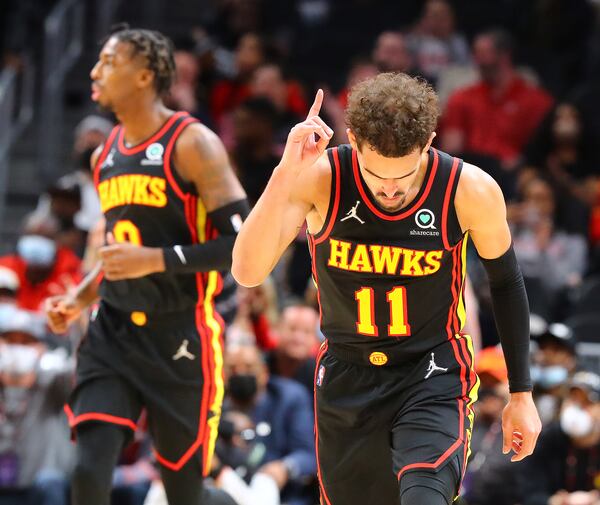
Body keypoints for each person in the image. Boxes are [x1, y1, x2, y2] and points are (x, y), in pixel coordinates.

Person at [232, 72, 541, 505]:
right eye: (377, 175)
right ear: (353, 140)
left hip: (432, 370)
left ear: (429, 141)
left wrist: (521, 393)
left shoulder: (469, 189)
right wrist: (286, 172)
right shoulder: (320, 177)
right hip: (348, 372)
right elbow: (247, 270)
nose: (389, 189)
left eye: (404, 175)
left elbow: (507, 283)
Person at [44, 25, 248, 505]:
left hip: (179, 337)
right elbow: (120, 254)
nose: (95, 71)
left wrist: (152, 261)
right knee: (88, 473)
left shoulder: (193, 143)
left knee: (184, 493)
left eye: (109, 62)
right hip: (112, 332)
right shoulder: (104, 155)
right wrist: (77, 299)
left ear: (144, 75)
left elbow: (242, 244)